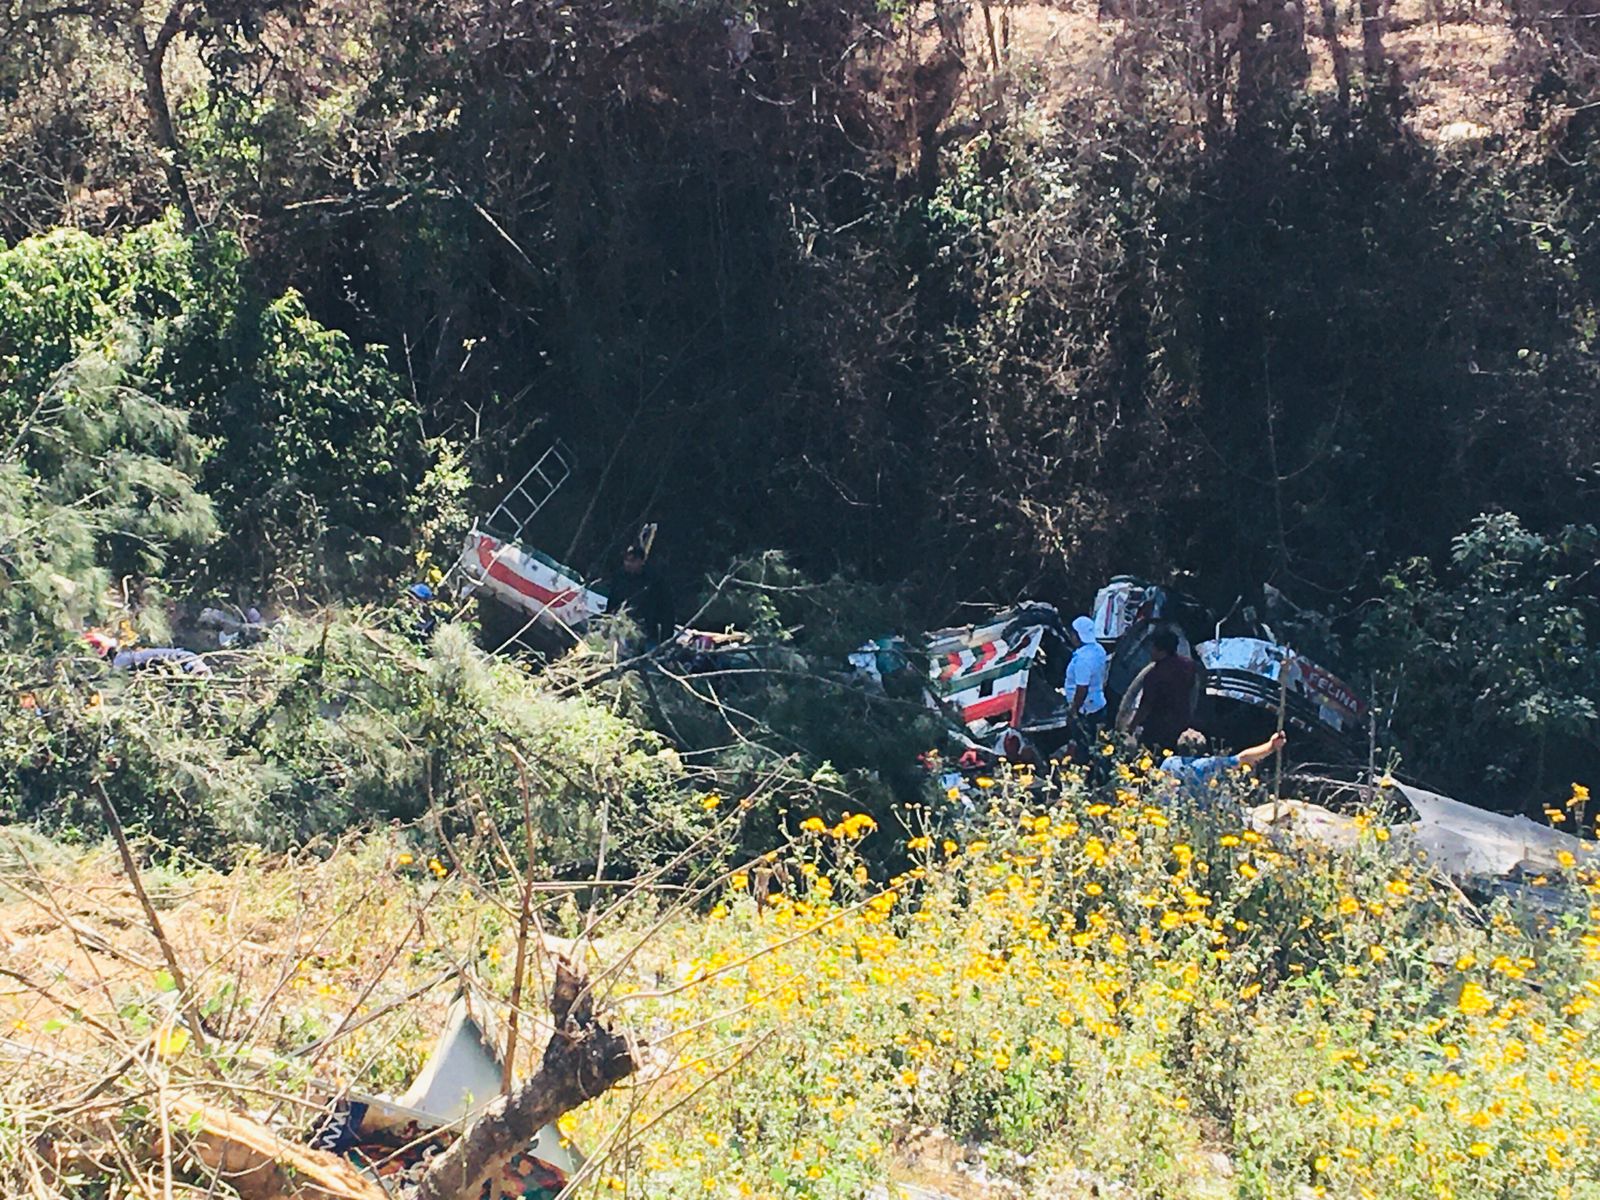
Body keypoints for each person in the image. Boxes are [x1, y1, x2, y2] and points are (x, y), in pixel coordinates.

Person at [1159, 728, 1287, 807]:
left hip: (1170, 816)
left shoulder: (1169, 763)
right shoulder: (1209, 764)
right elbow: (1243, 758)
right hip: (1199, 819)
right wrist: (1271, 746)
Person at [1128, 628, 1196, 753]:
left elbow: (1146, 706)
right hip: (1181, 723)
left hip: (1158, 727)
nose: (1150, 651)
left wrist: (1131, 727)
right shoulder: (1189, 666)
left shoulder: (1154, 675)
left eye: (1152, 648)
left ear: (1161, 651)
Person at [607, 542, 675, 647]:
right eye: (626, 560)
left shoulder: (655, 581)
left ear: (642, 561)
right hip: (620, 628)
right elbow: (612, 602)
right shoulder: (619, 577)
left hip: (647, 631)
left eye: (633, 561)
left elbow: (667, 610)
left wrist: (666, 640)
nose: (628, 564)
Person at [1064, 615, 1109, 734]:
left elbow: (1082, 688)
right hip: (1099, 702)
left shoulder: (1082, 660)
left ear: (1077, 636)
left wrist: (1073, 710)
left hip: (1087, 710)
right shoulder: (1099, 649)